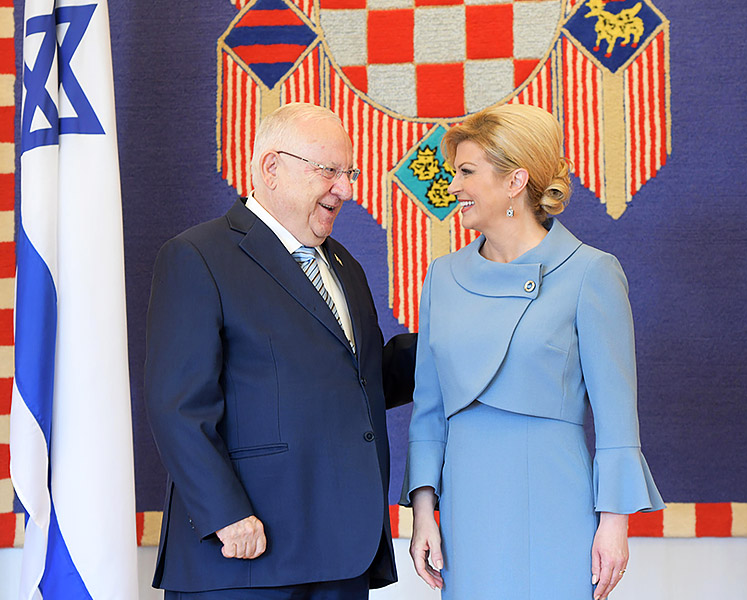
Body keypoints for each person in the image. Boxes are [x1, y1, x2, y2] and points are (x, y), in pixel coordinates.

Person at [145, 102, 415, 599]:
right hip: (244, 557)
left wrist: (462, 340)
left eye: (349, 172)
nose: (346, 189)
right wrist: (226, 515)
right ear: (271, 167)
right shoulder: (197, 256)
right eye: (329, 171)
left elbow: (364, 378)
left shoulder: (344, 265)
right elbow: (177, 405)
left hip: (340, 556)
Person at [400, 104, 665, 600]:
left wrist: (614, 523)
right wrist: (422, 512)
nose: (452, 186)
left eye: (466, 171)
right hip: (467, 501)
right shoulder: (442, 276)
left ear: (515, 180)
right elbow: (429, 409)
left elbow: (616, 417)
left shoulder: (591, 272)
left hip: (555, 496)